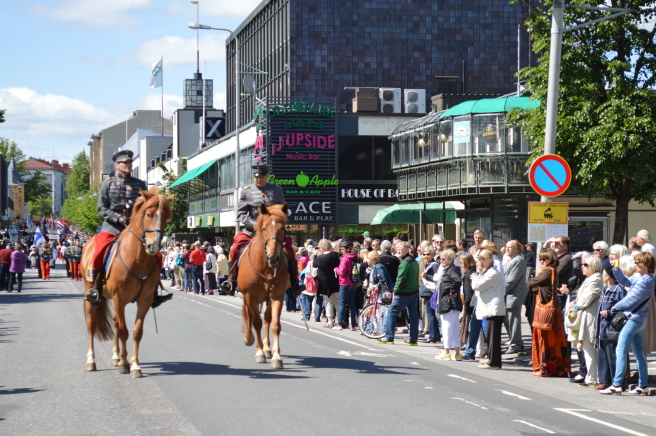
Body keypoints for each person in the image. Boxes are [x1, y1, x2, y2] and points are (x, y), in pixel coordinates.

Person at [84, 150, 169, 308]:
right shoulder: (108, 184)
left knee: (156, 255)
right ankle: (94, 288)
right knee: (99, 251)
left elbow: (147, 207)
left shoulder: (140, 184)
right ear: (117, 165)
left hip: (135, 228)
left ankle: (154, 292)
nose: (129, 165)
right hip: (112, 226)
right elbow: (101, 208)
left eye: (130, 163)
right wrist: (118, 218)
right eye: (125, 163)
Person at [221, 164, 297, 295]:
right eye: (256, 177)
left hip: (271, 232)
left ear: (267, 176)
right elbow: (240, 214)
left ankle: (295, 282)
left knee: (290, 250)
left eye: (261, 176)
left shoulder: (277, 190)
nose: (258, 179)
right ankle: (231, 280)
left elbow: (281, 210)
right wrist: (255, 224)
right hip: (251, 231)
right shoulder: (247, 191)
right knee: (234, 249)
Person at [601, 252, 655, 395]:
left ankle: (617, 384)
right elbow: (624, 281)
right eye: (635, 263)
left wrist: (616, 306)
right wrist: (616, 269)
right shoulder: (640, 277)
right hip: (637, 319)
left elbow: (631, 299)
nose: (635, 265)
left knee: (621, 350)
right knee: (638, 353)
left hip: (634, 319)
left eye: (638, 263)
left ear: (646, 265)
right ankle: (642, 386)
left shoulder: (646, 280)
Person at [527, 249, 570, 377]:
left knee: (545, 339)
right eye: (540, 259)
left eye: (544, 259)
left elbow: (530, 283)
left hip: (545, 309)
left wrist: (535, 283)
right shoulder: (553, 270)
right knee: (555, 340)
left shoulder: (547, 271)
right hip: (552, 308)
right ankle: (556, 367)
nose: (541, 261)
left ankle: (545, 367)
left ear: (550, 260)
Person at [566, 253, 603, 387]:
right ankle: (591, 376)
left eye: (586, 265)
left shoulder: (596, 279)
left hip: (590, 315)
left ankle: (592, 377)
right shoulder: (590, 278)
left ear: (593, 265)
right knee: (586, 347)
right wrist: (575, 301)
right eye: (582, 264)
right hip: (585, 314)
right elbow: (582, 296)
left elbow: (587, 298)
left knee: (589, 346)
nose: (582, 267)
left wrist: (575, 306)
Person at [378, 241, 420, 346]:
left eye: (401, 249)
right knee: (414, 316)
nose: (399, 251)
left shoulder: (405, 263)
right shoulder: (413, 261)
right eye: (398, 249)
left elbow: (400, 279)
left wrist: (395, 291)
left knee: (392, 311)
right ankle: (413, 339)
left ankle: (389, 337)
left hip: (404, 293)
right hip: (413, 292)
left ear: (407, 250)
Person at [471, 249, 506, 370]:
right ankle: (491, 358)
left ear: (486, 261)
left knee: (493, 338)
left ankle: (494, 362)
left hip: (493, 309)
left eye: (480, 260)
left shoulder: (492, 273)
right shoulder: (489, 272)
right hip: (490, 308)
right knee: (491, 337)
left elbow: (477, 286)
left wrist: (477, 274)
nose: (479, 262)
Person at [596, 264, 626, 390]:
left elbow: (623, 310)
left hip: (612, 327)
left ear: (608, 276)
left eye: (603, 273)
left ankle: (618, 381)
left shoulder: (618, 290)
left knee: (613, 354)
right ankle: (604, 380)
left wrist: (609, 313)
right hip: (602, 327)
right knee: (602, 354)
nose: (602, 275)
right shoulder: (604, 289)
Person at [435, 249, 463, 360]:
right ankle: (457, 352)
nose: (441, 261)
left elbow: (457, 280)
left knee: (447, 327)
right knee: (454, 328)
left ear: (451, 260)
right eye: (440, 259)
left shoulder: (451, 270)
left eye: (443, 259)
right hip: (451, 302)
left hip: (448, 302)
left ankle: (446, 351)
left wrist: (452, 291)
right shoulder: (450, 269)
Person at [503, 240, 528, 353]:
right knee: (508, 320)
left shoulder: (519, 260)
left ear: (518, 249)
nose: (507, 249)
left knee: (513, 321)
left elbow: (511, 280)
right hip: (508, 295)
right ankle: (516, 342)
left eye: (510, 247)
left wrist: (501, 291)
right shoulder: (512, 260)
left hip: (513, 295)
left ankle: (516, 344)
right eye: (507, 247)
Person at [314, 239, 340, 328]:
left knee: (328, 301)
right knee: (337, 300)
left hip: (324, 281)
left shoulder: (320, 258)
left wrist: (314, 255)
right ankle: (340, 320)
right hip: (335, 279)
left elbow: (314, 264)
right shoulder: (335, 256)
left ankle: (330, 321)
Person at [333, 241, 358, 331]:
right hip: (354, 282)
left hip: (344, 283)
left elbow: (342, 272)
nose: (341, 250)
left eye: (343, 249)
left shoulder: (345, 258)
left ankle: (339, 323)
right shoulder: (355, 257)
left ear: (348, 249)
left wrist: (336, 269)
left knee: (342, 302)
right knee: (352, 304)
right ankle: (353, 325)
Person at [544, 236, 574, 309]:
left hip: (560, 295)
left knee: (559, 318)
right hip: (556, 293)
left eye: (557, 243)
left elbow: (555, 272)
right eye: (554, 243)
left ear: (565, 246)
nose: (554, 245)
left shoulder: (566, 258)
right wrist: (547, 243)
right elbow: (543, 257)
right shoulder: (559, 256)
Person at [418, 246, 440, 344]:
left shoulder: (434, 265)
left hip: (431, 292)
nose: (426, 256)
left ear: (432, 254)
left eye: (428, 254)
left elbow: (437, 279)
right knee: (430, 314)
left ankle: (433, 336)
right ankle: (435, 335)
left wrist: (427, 276)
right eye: (424, 254)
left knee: (431, 314)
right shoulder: (425, 265)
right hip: (426, 292)